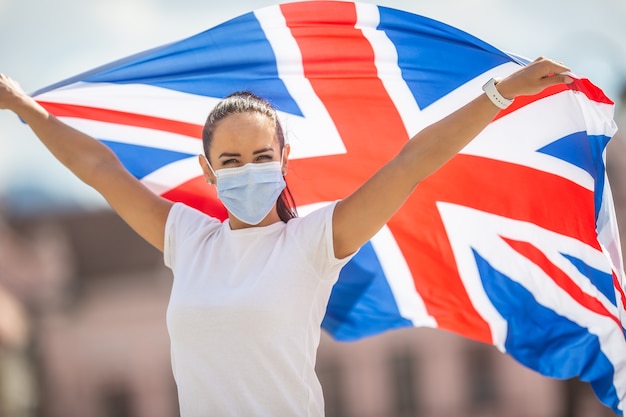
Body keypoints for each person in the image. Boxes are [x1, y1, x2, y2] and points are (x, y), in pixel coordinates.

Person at [0, 57, 573, 416]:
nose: (246, 168)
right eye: (230, 159)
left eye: (260, 155)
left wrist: (502, 93)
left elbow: (413, 162)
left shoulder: (316, 242)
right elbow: (101, 169)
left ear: (283, 159)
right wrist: (21, 106)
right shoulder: (187, 239)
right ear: (207, 170)